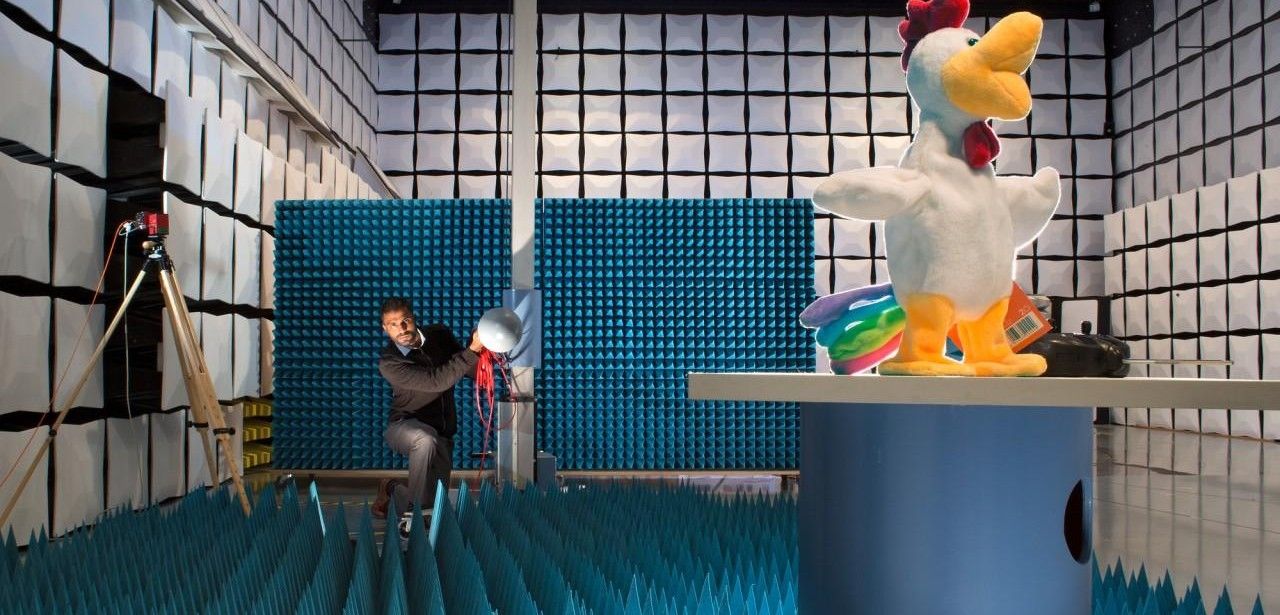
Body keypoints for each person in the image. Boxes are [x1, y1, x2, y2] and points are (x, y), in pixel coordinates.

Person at [372, 297, 484, 537]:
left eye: (405, 321)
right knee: (424, 440)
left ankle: (390, 488)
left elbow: (466, 368)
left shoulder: (439, 335)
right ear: (385, 328)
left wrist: (483, 347)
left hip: (441, 432)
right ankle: (413, 515)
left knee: (433, 501)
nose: (401, 329)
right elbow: (436, 382)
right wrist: (472, 350)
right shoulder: (390, 362)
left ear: (413, 318)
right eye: (393, 325)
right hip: (404, 426)